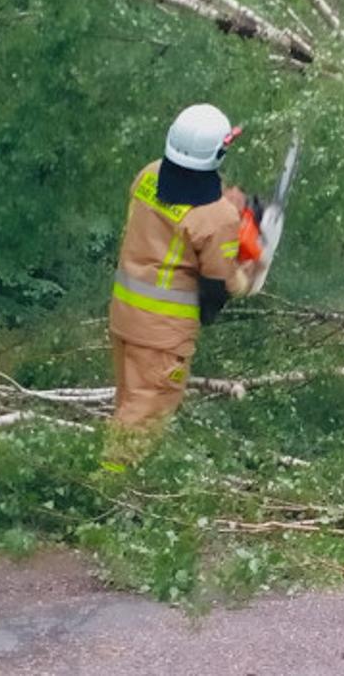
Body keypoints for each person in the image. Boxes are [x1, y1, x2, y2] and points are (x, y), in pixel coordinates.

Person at [103, 104, 268, 471]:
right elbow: (217, 286)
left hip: (125, 317)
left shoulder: (148, 175)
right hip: (162, 335)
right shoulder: (218, 218)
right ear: (218, 152)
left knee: (128, 406)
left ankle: (116, 484)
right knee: (144, 418)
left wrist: (230, 204)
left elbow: (179, 211)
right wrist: (249, 271)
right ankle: (107, 498)